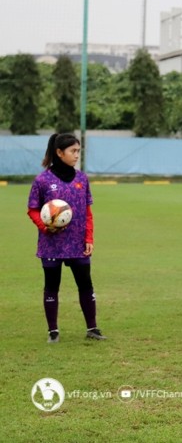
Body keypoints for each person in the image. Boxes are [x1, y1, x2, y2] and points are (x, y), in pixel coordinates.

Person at [26, 133, 106, 343]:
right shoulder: (42, 180)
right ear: (59, 153)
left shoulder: (82, 178)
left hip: (78, 243)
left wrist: (89, 238)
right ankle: (53, 331)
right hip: (51, 244)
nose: (76, 155)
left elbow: (88, 212)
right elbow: (33, 210)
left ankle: (92, 328)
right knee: (52, 286)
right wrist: (45, 226)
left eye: (78, 151)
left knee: (86, 284)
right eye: (73, 151)